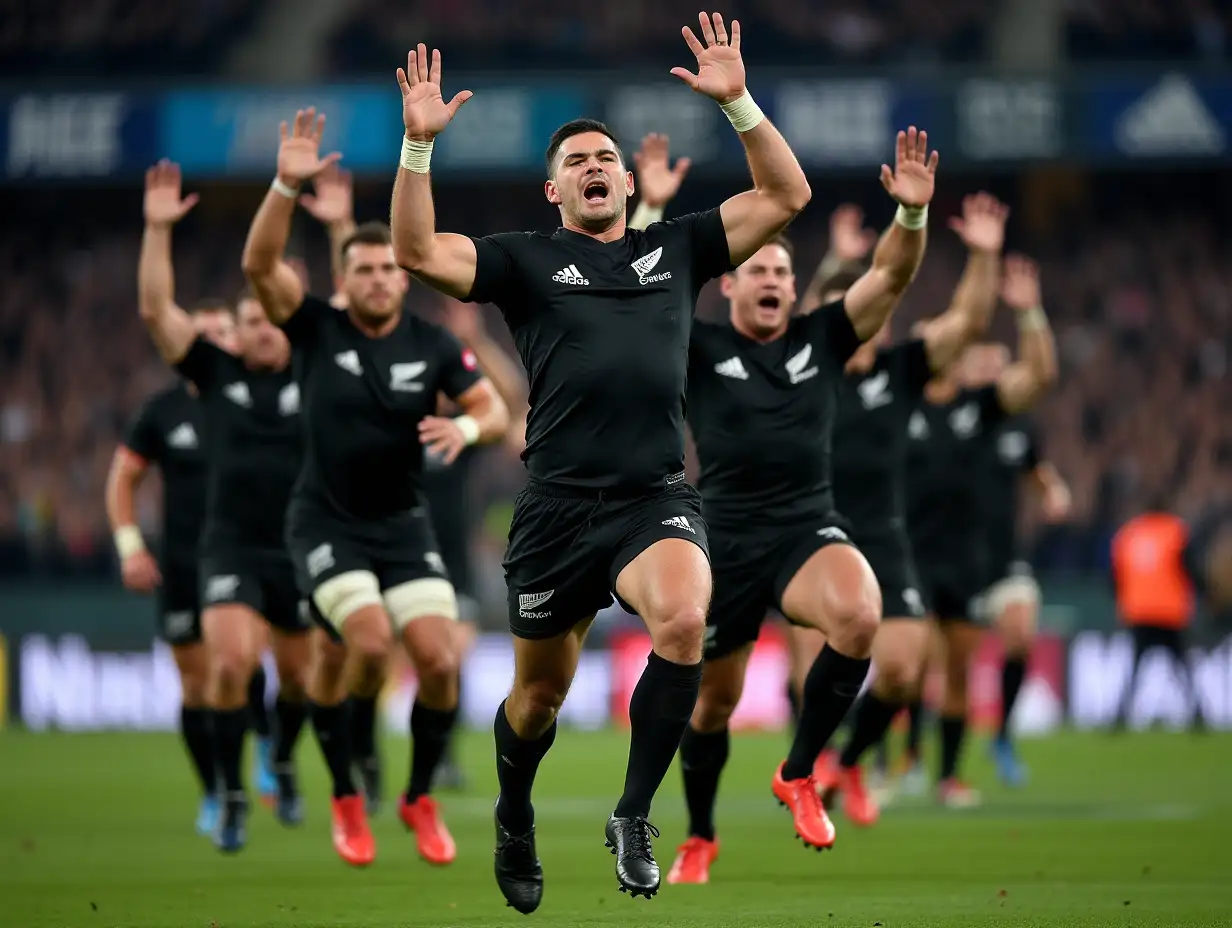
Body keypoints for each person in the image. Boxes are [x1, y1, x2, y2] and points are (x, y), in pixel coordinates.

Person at [389, 13, 811, 909]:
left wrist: (736, 102)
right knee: (537, 701)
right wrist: (418, 151)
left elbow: (785, 196)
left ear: (625, 181)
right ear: (554, 192)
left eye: (602, 159)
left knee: (686, 621)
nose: (591, 168)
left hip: (650, 498)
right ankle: (514, 813)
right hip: (554, 512)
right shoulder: (528, 263)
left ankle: (632, 813)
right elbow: (418, 253)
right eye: (573, 161)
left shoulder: (679, 248)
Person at [646, 129, 939, 884]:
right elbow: (638, 290)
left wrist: (910, 218)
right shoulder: (700, 349)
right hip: (724, 542)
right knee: (711, 708)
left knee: (860, 615)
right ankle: (700, 835)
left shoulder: (823, 337)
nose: (773, 277)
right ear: (732, 287)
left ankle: (801, 771)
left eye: (783, 268)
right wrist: (649, 207)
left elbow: (889, 280)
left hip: (807, 526)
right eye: (758, 269)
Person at [241, 109, 511, 867]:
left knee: (439, 661)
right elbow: (261, 269)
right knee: (366, 643)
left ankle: (418, 797)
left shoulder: (432, 345)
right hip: (325, 525)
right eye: (362, 269)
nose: (379, 278)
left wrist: (467, 430)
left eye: (390, 267)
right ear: (343, 278)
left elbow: (491, 405)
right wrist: (283, 186)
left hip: (401, 525)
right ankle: (347, 796)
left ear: (403, 273)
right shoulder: (316, 329)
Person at [790, 194, 1008, 828]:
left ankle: (849, 762)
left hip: (885, 535)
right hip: (815, 531)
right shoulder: (814, 368)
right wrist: (836, 263)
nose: (875, 320)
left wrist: (985, 256)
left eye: (883, 311)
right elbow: (804, 313)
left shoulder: (901, 370)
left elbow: (966, 322)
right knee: (813, 671)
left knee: (905, 672)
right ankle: (810, 769)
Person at [137, 160, 313, 852]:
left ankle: (284, 756)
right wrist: (157, 231)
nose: (263, 326)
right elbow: (157, 311)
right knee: (231, 667)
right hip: (229, 547)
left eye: (273, 315)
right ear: (234, 332)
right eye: (249, 319)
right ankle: (235, 794)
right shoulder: (215, 374)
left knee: (299, 680)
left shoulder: (313, 367)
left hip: (298, 549)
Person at [900, 254, 1058, 808]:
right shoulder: (896, 404)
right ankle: (902, 758)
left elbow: (1038, 376)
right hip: (909, 556)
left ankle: (948, 777)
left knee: (960, 675)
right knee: (908, 666)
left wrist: (1031, 314)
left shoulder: (981, 408)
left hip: (966, 559)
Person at [105, 299, 241, 838]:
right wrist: (130, 545)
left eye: (220, 333)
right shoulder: (161, 412)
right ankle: (214, 789)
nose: (209, 343)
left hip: (250, 559)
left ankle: (265, 757)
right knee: (198, 684)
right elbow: (122, 479)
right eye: (200, 334)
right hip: (184, 566)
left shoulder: (253, 398)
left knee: (245, 666)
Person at [959, 342, 1072, 784]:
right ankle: (911, 753)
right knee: (933, 666)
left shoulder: (1019, 428)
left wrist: (1053, 490)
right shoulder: (948, 417)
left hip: (1004, 557)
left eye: (999, 367)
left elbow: (1037, 470)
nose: (992, 374)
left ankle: (1001, 735)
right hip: (950, 561)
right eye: (982, 364)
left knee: (1021, 636)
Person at [1111, 501, 1207, 731]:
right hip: (1169, 612)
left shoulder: (1129, 533)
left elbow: (1115, 574)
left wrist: (1120, 601)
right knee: (1182, 667)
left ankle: (1120, 717)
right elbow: (1190, 568)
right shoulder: (1175, 531)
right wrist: (1204, 593)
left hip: (1139, 611)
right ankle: (1198, 716)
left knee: (1135, 669)